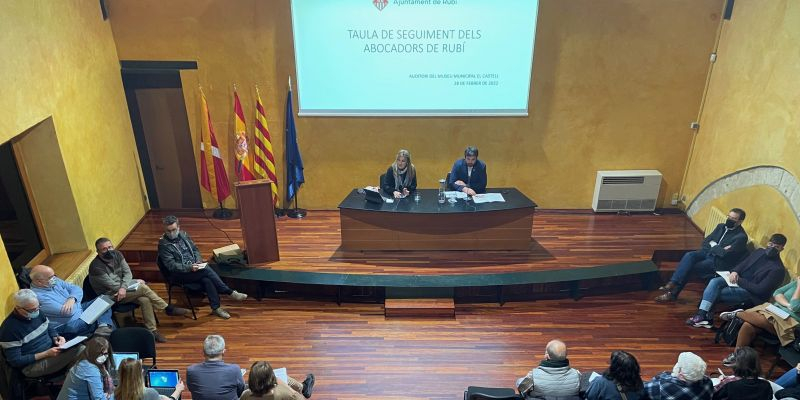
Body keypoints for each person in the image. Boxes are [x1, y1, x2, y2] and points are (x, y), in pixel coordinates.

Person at [89, 237, 188, 343]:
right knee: (143, 287)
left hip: (123, 290)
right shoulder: (95, 267)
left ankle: (152, 331)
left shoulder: (117, 254)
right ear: (98, 252)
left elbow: (128, 273)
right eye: (104, 249)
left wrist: (127, 284)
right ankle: (166, 308)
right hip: (110, 296)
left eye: (110, 247)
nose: (109, 250)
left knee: (145, 300)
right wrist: (133, 283)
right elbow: (113, 286)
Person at [685, 234, 787, 328]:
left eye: (776, 247)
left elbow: (760, 290)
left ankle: (706, 318)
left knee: (717, 292)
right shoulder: (759, 251)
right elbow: (743, 264)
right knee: (714, 282)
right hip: (737, 281)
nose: (772, 248)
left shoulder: (778, 269)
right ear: (768, 243)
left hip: (751, 293)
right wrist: (734, 272)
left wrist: (739, 280)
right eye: (771, 244)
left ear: (782, 249)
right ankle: (702, 314)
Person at [157, 215, 248, 319]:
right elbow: (171, 266)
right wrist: (189, 267)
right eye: (168, 231)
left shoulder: (183, 235)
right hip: (179, 274)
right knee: (205, 271)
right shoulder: (163, 245)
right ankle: (229, 292)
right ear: (165, 230)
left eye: (173, 230)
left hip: (194, 267)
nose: (171, 233)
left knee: (207, 279)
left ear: (178, 227)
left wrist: (198, 260)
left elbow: (195, 249)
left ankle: (216, 308)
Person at [656, 208, 749, 302]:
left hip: (718, 261)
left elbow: (724, 255)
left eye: (733, 218)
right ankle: (673, 282)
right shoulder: (720, 226)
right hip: (707, 252)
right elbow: (706, 242)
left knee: (691, 267)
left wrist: (714, 245)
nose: (729, 219)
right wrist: (718, 247)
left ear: (740, 221)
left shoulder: (741, 237)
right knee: (689, 255)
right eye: (729, 216)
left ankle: (672, 293)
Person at [0, 289, 83, 377]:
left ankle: (71, 377)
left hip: (51, 350)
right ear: (18, 308)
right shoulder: (9, 329)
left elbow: (48, 326)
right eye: (32, 310)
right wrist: (46, 354)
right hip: (32, 365)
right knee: (81, 350)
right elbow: (15, 361)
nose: (36, 311)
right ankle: (69, 379)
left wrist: (56, 337)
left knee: (82, 345)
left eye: (38, 307)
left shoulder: (37, 312)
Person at [720, 277, 800, 366]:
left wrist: (799, 286)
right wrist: (787, 305)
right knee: (748, 325)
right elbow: (777, 293)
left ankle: (738, 314)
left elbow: (795, 306)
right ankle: (738, 356)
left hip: (791, 322)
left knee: (760, 319)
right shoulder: (795, 282)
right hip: (775, 311)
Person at [29, 265, 115, 339]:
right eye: (50, 277)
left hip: (80, 311)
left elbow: (77, 288)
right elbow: (68, 312)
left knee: (105, 300)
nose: (54, 278)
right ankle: (105, 329)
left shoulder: (53, 282)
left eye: (54, 275)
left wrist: (72, 298)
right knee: (100, 317)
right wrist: (77, 301)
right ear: (39, 281)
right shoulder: (38, 297)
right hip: (69, 325)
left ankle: (103, 327)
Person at [516, 339, 581, 399]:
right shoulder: (577, 374)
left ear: (547, 356)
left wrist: (519, 381)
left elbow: (521, 388)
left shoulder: (533, 375)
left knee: (519, 382)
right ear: (566, 355)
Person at [187, 335, 246, 400]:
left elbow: (192, 389)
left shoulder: (191, 370)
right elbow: (241, 391)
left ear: (203, 352)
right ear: (223, 352)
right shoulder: (235, 369)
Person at [643, 352, 713, 400]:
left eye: (679, 364)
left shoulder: (661, 386)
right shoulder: (708, 382)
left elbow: (641, 390)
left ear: (681, 374)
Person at [239, 361, 315, 400]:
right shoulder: (282, 392)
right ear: (272, 378)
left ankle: (304, 387)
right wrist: (288, 388)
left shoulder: (246, 394)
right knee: (284, 378)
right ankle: (303, 388)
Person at [115, 358, 184, 400]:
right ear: (139, 374)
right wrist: (178, 390)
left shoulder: (114, 394)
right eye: (141, 369)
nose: (142, 370)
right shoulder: (149, 393)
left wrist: (158, 397)